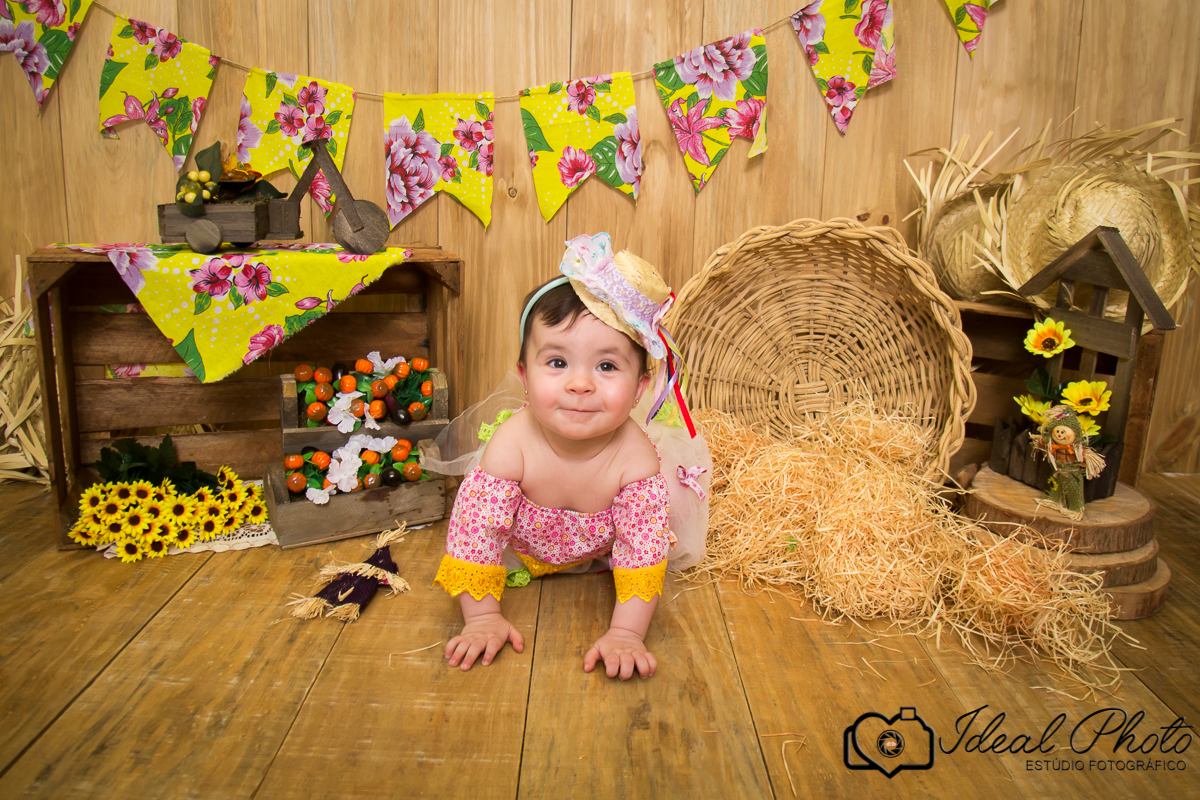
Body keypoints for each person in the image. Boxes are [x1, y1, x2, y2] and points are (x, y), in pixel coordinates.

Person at [431, 233, 710, 680]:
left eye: (607, 366)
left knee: (657, 522)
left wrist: (627, 633)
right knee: (480, 525)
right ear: (524, 374)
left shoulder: (634, 458)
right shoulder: (513, 443)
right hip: (524, 548)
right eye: (558, 363)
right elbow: (476, 533)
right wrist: (481, 618)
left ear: (640, 387)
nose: (580, 384)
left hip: (600, 550)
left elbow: (640, 549)